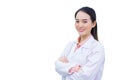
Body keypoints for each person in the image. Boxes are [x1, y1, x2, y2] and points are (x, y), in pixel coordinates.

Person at [55, 6, 105, 80]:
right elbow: (57, 66)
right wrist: (74, 68)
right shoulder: (70, 45)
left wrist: (65, 70)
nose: (80, 25)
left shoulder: (97, 48)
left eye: (84, 21)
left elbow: (86, 76)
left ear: (93, 24)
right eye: (77, 21)